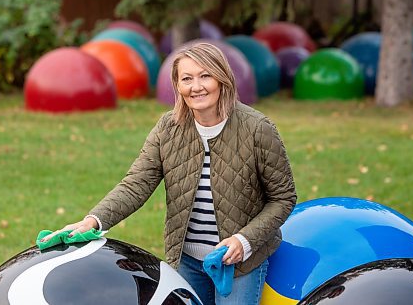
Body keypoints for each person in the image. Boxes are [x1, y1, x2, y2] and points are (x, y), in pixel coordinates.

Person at [41, 42, 297, 305]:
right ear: (177, 86)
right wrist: (92, 221)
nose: (196, 86)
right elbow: (135, 184)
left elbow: (283, 198)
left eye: (205, 75)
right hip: (186, 262)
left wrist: (245, 241)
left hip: (240, 264)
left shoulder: (258, 129)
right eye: (187, 79)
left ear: (222, 78)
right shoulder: (168, 128)